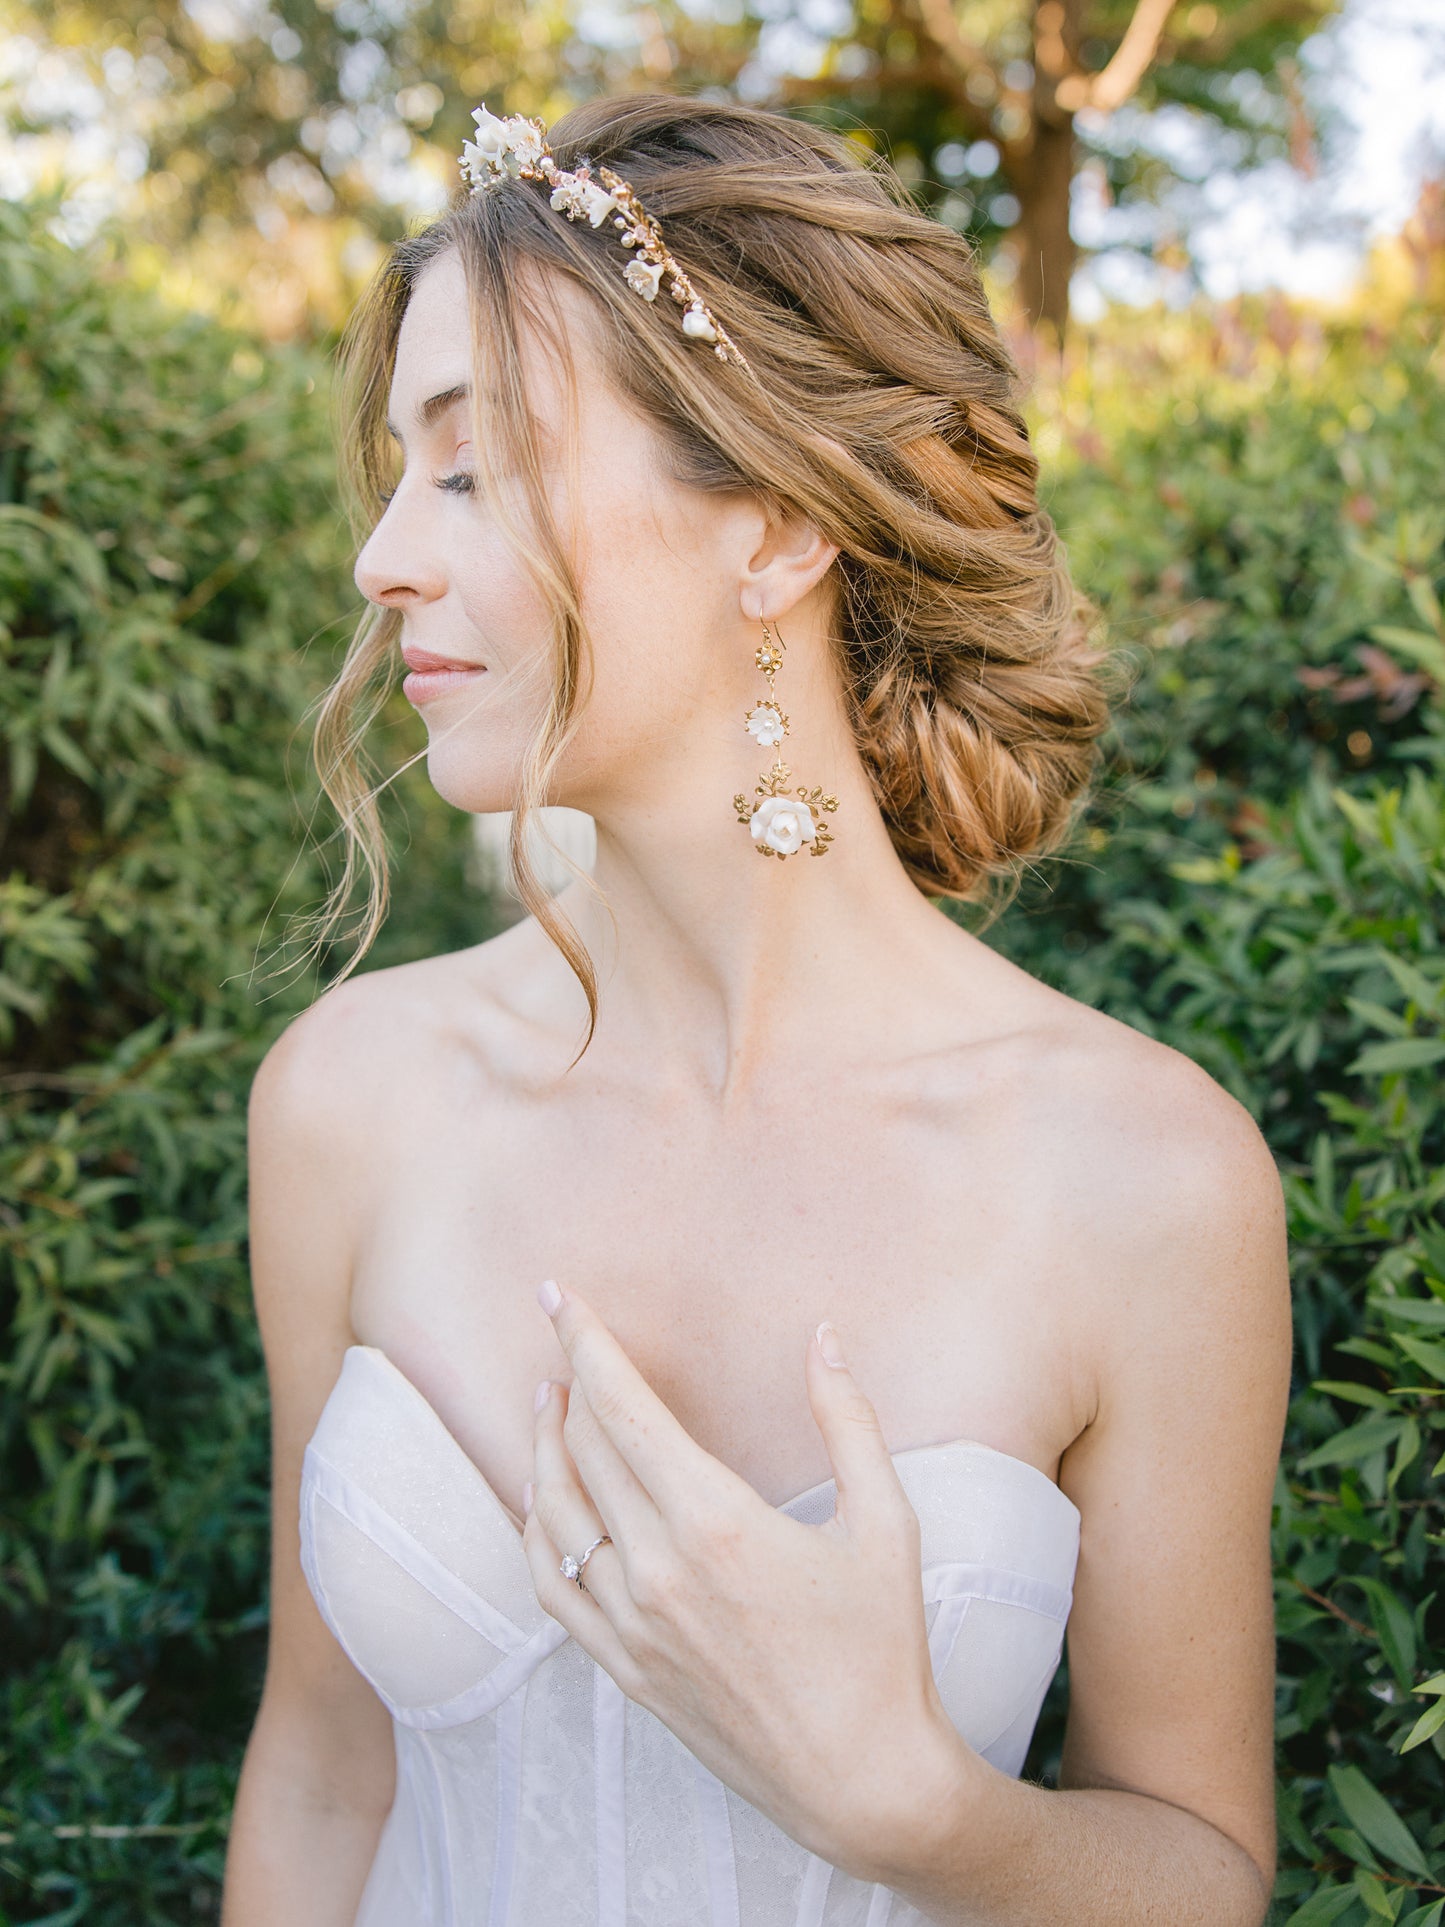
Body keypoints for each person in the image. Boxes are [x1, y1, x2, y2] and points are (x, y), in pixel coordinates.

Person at [220, 93, 1291, 1927]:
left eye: (469, 470)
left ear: (777, 531)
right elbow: (323, 1767)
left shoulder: (1144, 1180)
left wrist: (923, 1817)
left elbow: (1200, 1863)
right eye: (397, 470)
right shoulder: (350, 1101)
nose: (381, 556)